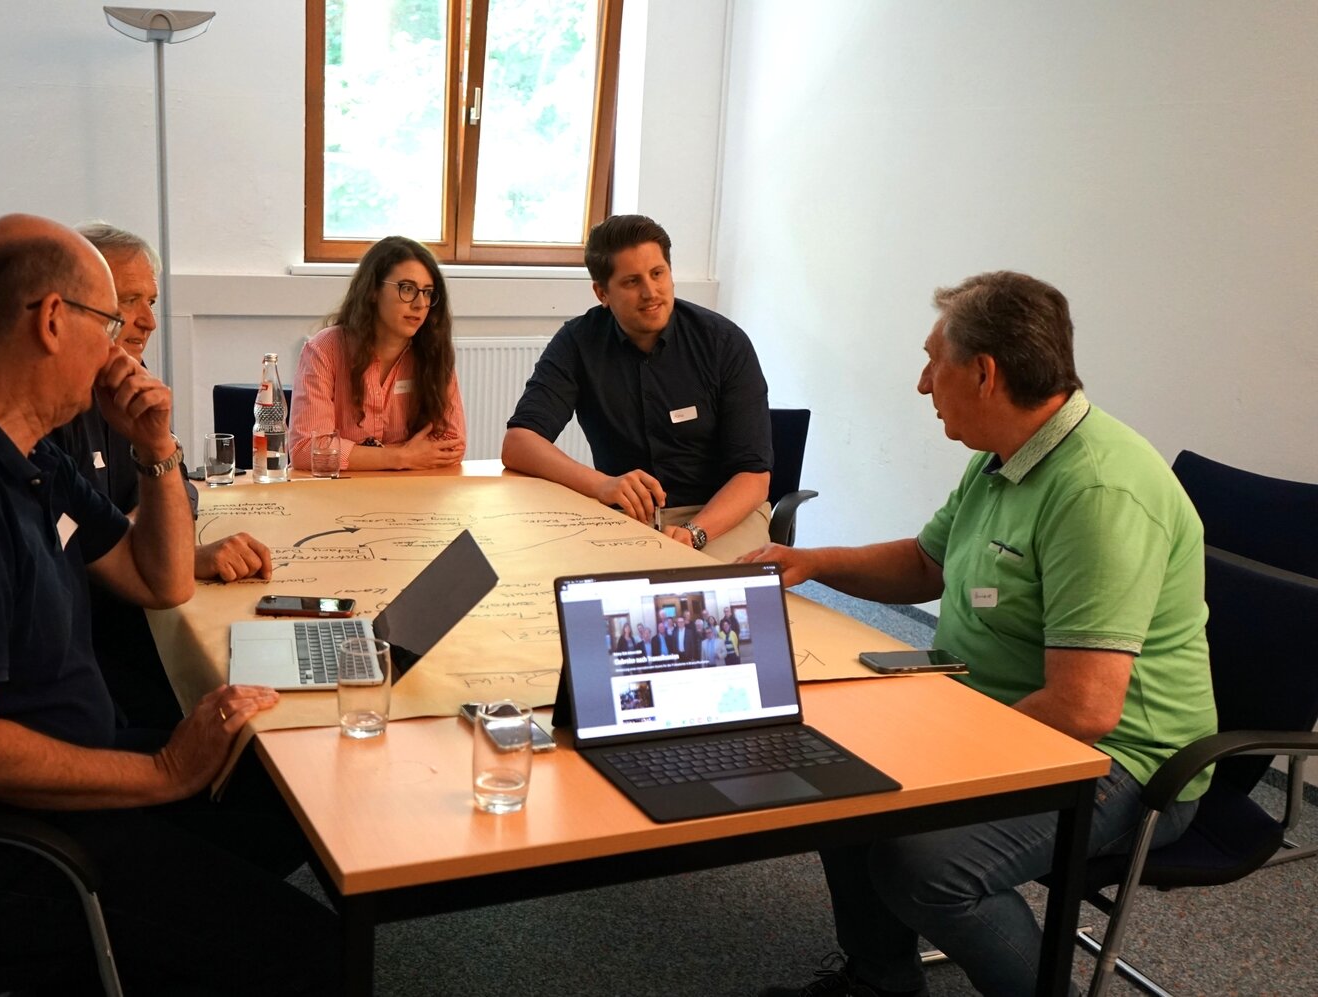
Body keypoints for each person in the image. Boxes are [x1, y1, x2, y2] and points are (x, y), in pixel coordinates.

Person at [0, 214, 340, 996]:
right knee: (316, 958)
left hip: (67, 774)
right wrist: (162, 772)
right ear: (55, 321)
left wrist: (156, 447)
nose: (123, 344)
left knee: (286, 790)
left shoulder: (24, 448)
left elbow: (159, 580)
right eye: (111, 322)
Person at [741, 271, 1216, 997]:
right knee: (838, 777)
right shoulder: (1002, 458)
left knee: (923, 866)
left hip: (1121, 759)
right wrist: (810, 562)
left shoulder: (1098, 493)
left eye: (934, 360)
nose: (923, 382)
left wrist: (942, 765)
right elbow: (928, 562)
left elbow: (1086, 708)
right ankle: (881, 981)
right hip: (989, 707)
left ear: (985, 372)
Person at [48, 222, 271, 728]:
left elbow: (181, 490)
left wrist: (151, 528)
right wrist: (159, 543)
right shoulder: (41, 422)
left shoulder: (119, 387)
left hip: (116, 631)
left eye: (150, 300)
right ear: (58, 314)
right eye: (129, 301)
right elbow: (87, 559)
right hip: (92, 651)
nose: (148, 321)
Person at [502, 214, 774, 562]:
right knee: (566, 588)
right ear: (603, 292)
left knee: (707, 594)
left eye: (658, 274)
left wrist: (695, 532)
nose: (651, 293)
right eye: (632, 281)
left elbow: (753, 477)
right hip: (626, 516)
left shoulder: (724, 343)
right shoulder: (578, 342)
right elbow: (519, 443)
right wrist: (602, 485)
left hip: (721, 515)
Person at [290, 235, 466, 471]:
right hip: (339, 493)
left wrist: (358, 454)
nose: (419, 304)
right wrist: (400, 457)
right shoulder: (325, 349)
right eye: (407, 289)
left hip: (411, 492)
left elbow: (452, 445)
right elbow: (306, 450)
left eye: (427, 292)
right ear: (373, 290)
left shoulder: (433, 351)